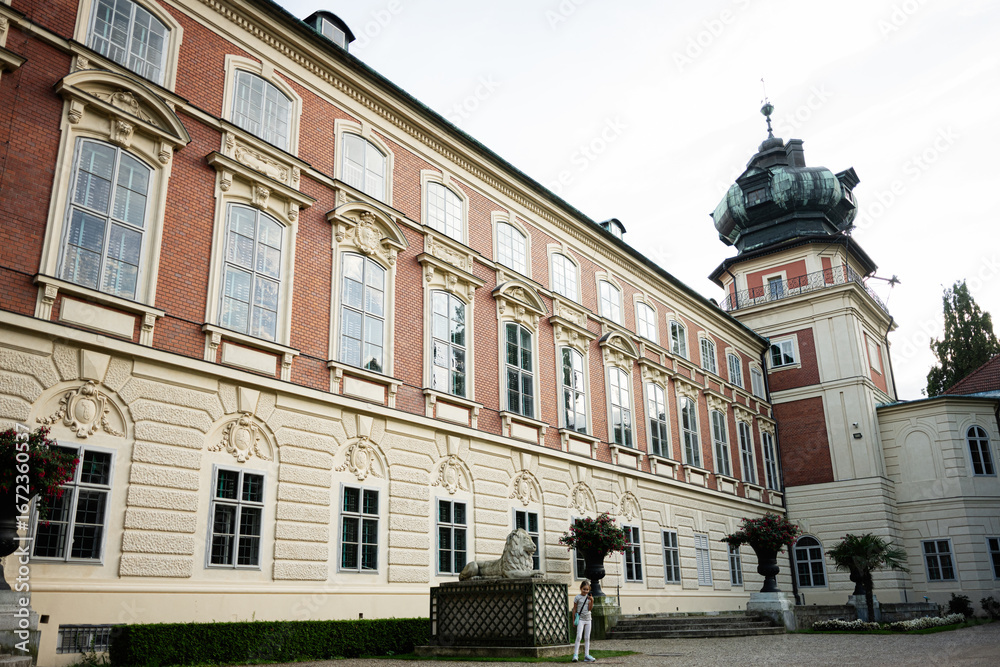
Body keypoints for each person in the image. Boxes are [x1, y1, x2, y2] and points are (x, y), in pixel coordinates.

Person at [572, 579, 596, 662]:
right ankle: (575, 655)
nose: (585, 591)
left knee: (587, 637)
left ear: (589, 590)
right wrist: (573, 620)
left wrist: (592, 601)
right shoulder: (577, 597)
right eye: (584, 589)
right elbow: (574, 609)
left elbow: (589, 609)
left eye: (587, 589)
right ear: (581, 588)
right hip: (581, 619)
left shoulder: (589, 598)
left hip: (588, 619)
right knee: (578, 636)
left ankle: (586, 655)